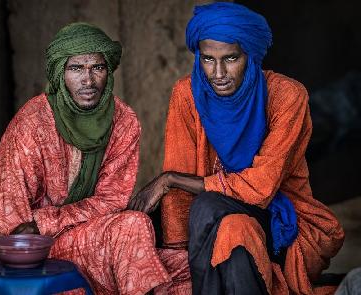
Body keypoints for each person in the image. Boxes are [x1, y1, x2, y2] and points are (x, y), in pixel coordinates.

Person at [128, 2, 345, 294]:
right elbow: (180, 188)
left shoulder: (286, 96)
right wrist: (179, 254)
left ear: (250, 56)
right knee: (233, 231)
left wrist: (169, 179)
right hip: (215, 222)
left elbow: (262, 187)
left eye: (230, 58)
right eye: (207, 59)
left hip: (282, 220)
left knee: (208, 204)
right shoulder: (187, 94)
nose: (218, 73)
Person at [0, 23, 190, 294]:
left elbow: (111, 200)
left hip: (86, 234)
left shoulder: (124, 121)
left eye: (97, 68)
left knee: (187, 265)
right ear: (60, 73)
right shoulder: (32, 124)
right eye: (76, 68)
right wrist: (41, 230)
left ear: (108, 72)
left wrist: (45, 221)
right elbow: (14, 228)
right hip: (24, 250)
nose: (88, 81)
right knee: (132, 227)